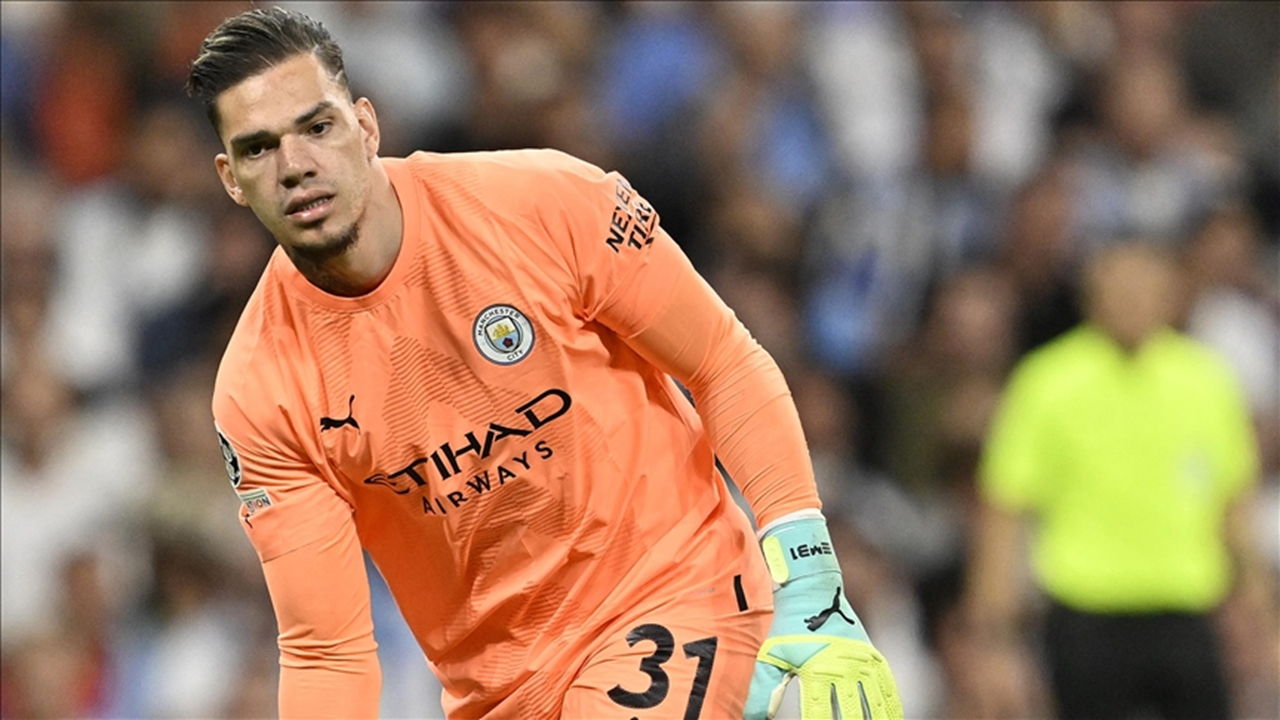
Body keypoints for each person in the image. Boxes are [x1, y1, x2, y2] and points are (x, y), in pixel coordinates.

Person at [186, 8, 900, 719]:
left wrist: (810, 579)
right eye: (259, 149)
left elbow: (721, 361)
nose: (295, 166)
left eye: (318, 128)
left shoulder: (541, 204)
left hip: (678, 597)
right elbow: (327, 651)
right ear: (230, 179)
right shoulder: (259, 389)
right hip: (503, 697)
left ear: (366, 126)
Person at [962, 242, 1269, 719]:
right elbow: (1004, 512)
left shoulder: (1207, 381)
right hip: (1086, 612)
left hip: (1186, 609)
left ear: (1172, 295)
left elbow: (1234, 508)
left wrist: (1260, 614)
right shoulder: (1047, 382)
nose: (1133, 301)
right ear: (1091, 297)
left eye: (1145, 288)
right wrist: (993, 637)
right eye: (1120, 289)